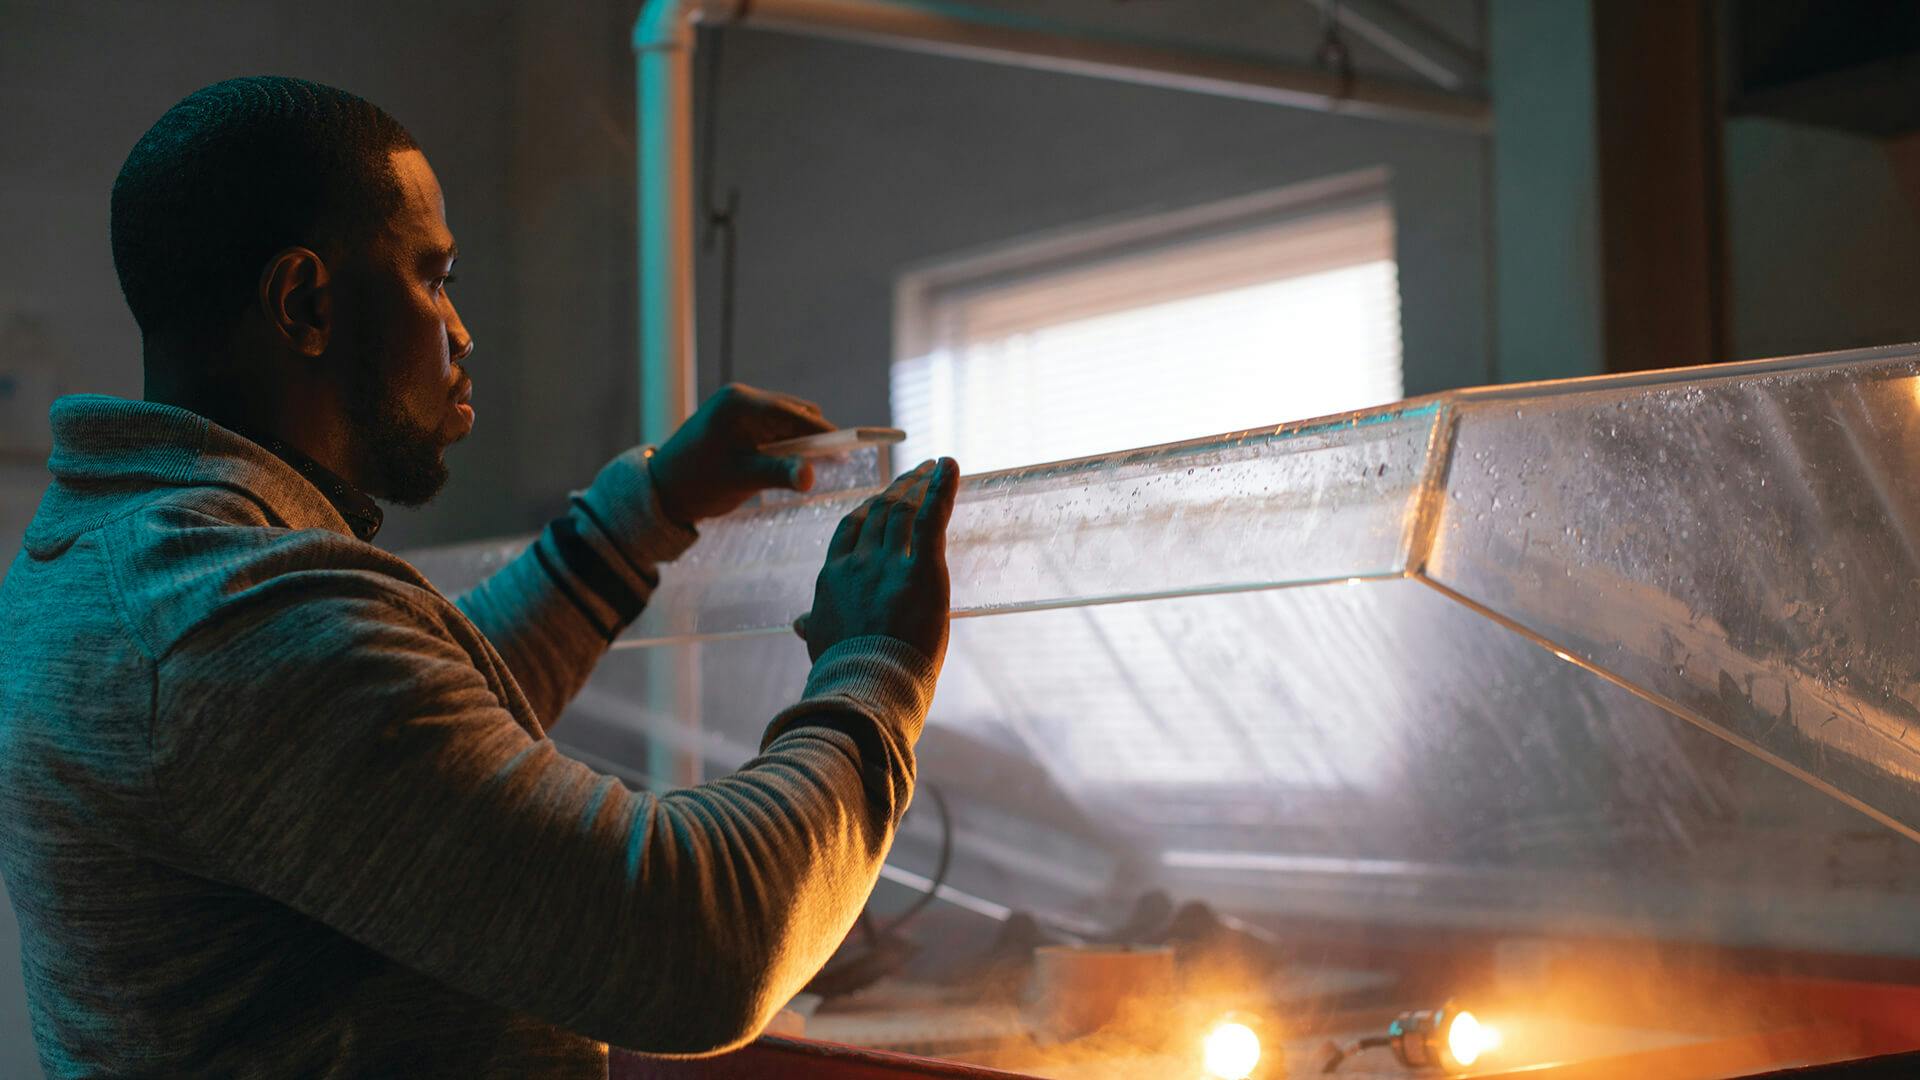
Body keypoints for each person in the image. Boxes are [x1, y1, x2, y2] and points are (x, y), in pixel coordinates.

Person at [0, 75, 960, 1078]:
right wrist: (873, 670)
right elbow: (694, 946)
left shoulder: (117, 548)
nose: (460, 333)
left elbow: (406, 737)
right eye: (432, 275)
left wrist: (651, 508)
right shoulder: (218, 618)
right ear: (307, 302)